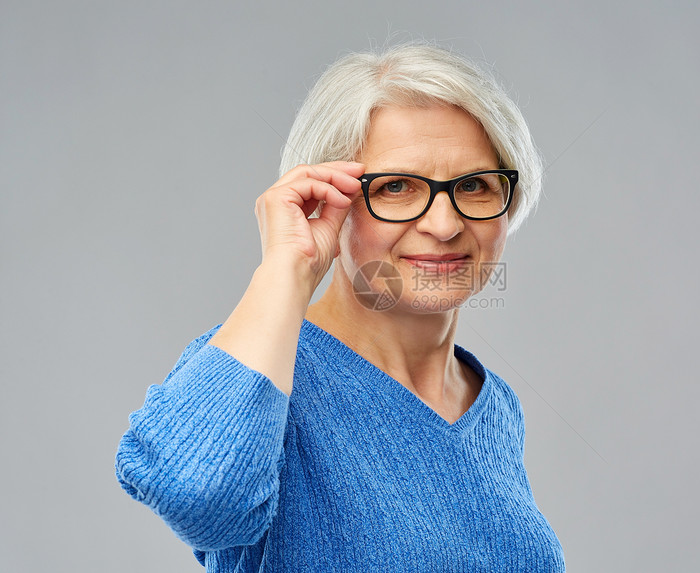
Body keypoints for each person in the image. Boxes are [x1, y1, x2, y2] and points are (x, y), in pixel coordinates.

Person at [116, 42, 565, 572]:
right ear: (326, 198)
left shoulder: (491, 403)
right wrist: (287, 268)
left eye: (474, 185)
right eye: (396, 187)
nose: (444, 226)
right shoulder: (264, 372)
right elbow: (196, 498)